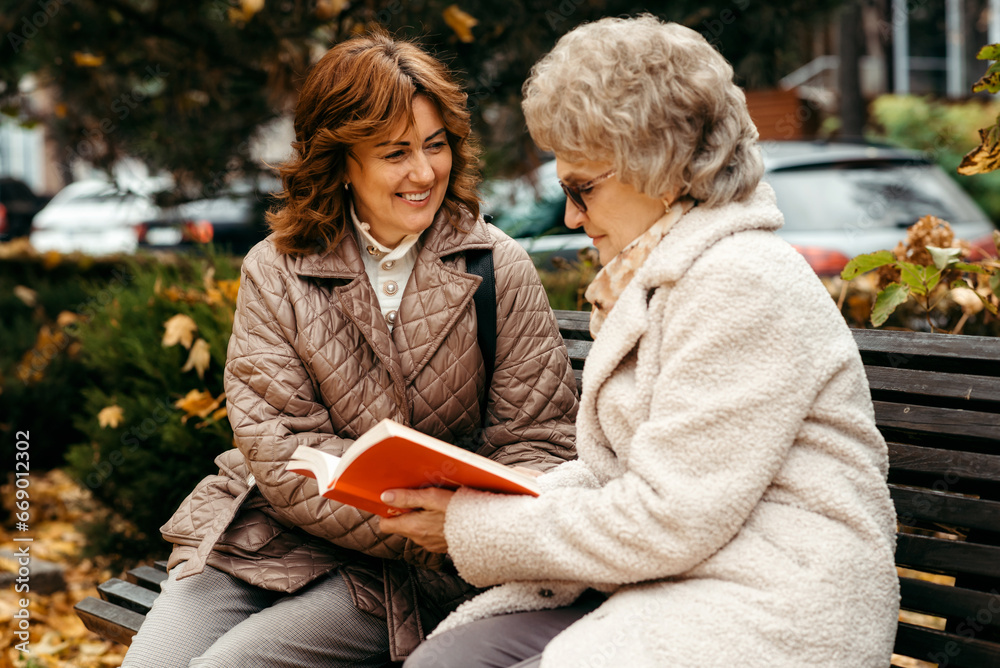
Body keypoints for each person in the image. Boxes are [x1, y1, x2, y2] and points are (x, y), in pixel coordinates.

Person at [381, 15, 900, 668]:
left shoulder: (740, 282)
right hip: (681, 578)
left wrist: (470, 526)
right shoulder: (666, 275)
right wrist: (480, 502)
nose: (570, 215)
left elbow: (665, 518)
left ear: (659, 167)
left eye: (582, 189)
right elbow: (630, 486)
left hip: (772, 605)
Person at [122, 30, 578, 668]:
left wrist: (449, 524)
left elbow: (542, 444)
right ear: (339, 161)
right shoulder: (275, 270)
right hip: (263, 536)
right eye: (395, 153)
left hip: (419, 571)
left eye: (436, 145)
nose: (424, 172)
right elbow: (280, 449)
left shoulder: (498, 268)